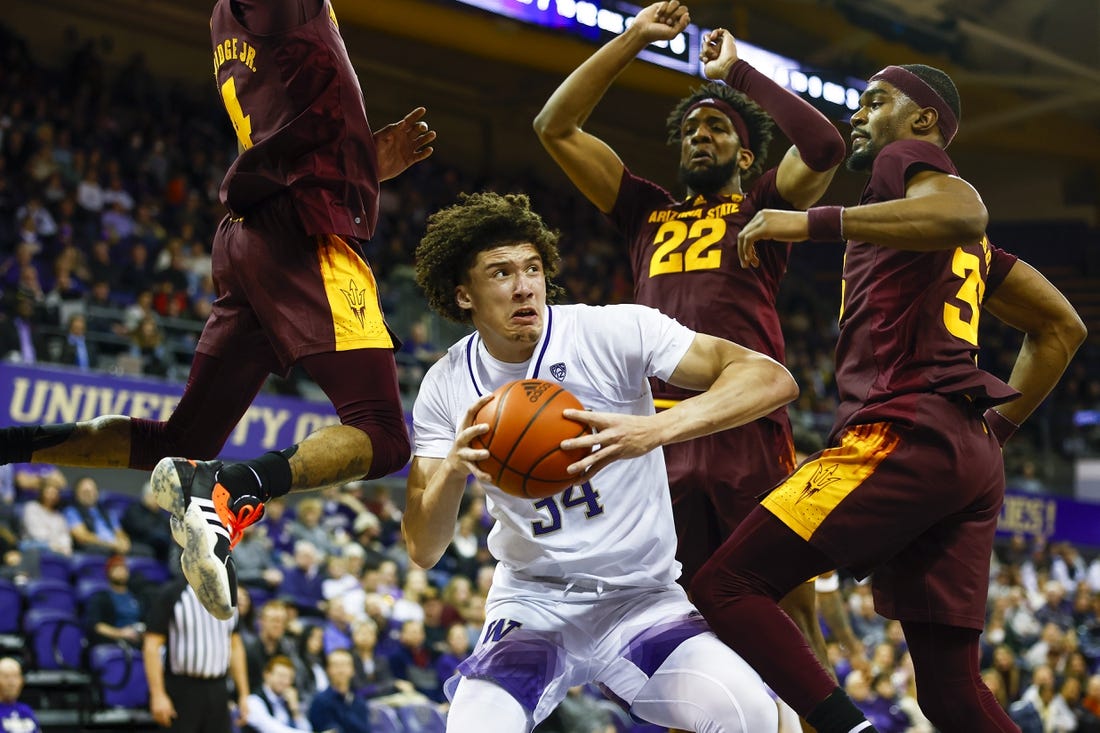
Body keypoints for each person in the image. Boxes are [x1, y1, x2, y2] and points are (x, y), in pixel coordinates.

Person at [0, 0, 436, 621]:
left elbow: (283, 121)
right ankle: (232, 490)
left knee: (180, 441)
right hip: (303, 233)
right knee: (386, 436)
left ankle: (9, 443)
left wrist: (359, 159)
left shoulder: (228, 20)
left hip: (252, 233)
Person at [691, 63, 1087, 733]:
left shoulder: (909, 167)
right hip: (964, 450)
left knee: (724, 583)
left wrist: (808, 223)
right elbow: (1062, 327)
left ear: (922, 121)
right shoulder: (937, 238)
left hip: (901, 429)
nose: (859, 115)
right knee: (951, 693)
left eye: (875, 102)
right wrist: (997, 430)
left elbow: (968, 208)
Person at [404, 191, 798, 731]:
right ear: (463, 295)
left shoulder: (612, 331)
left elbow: (771, 378)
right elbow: (423, 549)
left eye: (533, 268)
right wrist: (452, 468)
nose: (524, 287)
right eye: (500, 273)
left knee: (750, 715)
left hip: (641, 602)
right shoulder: (445, 384)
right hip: (534, 609)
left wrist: (653, 430)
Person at [533, 0, 845, 677]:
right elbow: (554, 126)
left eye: (717, 127)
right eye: (691, 130)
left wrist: (738, 77)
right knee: (678, 621)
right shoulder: (646, 211)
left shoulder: (763, 203)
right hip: (660, 433)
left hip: (743, 420)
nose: (700, 136)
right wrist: (634, 38)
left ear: (746, 150)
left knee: (785, 613)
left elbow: (825, 148)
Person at [143, 577, 251, 732]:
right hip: (182, 689)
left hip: (219, 688)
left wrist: (243, 695)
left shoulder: (228, 594)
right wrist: (158, 695)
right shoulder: (173, 594)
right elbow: (151, 645)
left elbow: (235, 646)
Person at [86, 554, 146, 647]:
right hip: (114, 642)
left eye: (123, 568)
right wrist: (120, 633)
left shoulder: (136, 597)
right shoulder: (101, 597)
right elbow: (96, 626)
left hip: (138, 641)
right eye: (116, 568)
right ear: (108, 572)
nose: (121, 571)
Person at [307, 649, 371, 733]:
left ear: (352, 670)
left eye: (345, 665)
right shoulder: (320, 701)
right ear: (328, 670)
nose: (341, 670)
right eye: (336, 665)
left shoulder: (359, 701)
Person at [243, 656, 312, 733]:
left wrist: (295, 709)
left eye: (289, 678)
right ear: (267, 675)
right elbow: (271, 729)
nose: (285, 681)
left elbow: (307, 729)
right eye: (281, 676)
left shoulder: (287, 700)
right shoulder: (254, 700)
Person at [0, 657, 39, 733]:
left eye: (15, 676)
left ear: (22, 681)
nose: (11, 683)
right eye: (6, 677)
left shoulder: (26, 710)